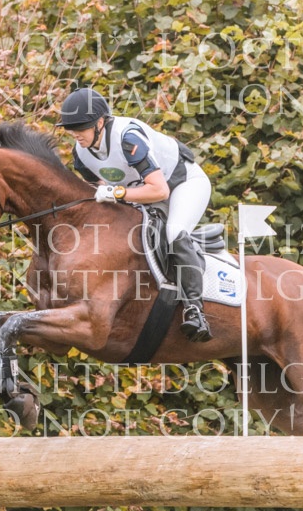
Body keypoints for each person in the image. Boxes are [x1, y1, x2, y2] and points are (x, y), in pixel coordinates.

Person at [56, 87, 213, 342]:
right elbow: (99, 189)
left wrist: (117, 193)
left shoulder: (128, 138)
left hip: (181, 184)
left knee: (174, 232)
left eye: (80, 128)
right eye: (70, 129)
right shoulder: (81, 153)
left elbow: (159, 190)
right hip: (142, 193)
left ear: (99, 123)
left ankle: (195, 309)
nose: (75, 134)